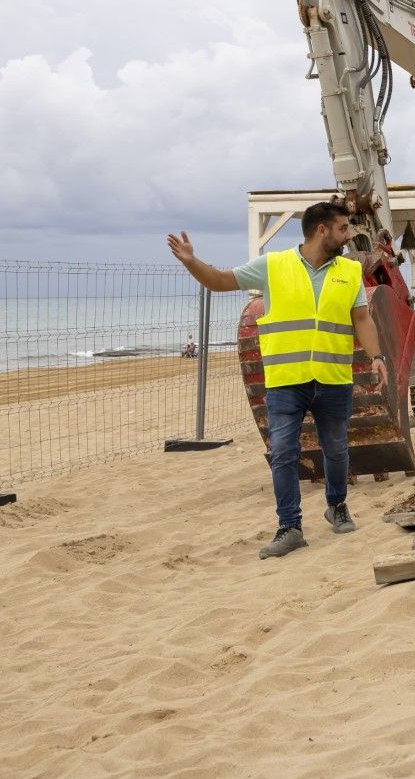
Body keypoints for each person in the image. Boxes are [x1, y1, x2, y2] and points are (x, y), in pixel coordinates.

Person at [167, 202, 389, 560]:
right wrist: (191, 262)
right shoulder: (273, 266)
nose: (348, 235)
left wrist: (377, 357)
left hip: (333, 378)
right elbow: (222, 281)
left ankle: (337, 505)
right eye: (344, 228)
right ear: (322, 230)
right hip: (286, 381)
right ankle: (290, 527)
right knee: (284, 452)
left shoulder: (349, 271)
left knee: (336, 450)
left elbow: (361, 318)